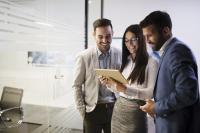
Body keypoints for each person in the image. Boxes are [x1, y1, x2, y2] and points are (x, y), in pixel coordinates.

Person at [139, 10, 200, 133]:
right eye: (144, 36)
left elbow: (187, 93)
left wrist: (156, 107)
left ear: (166, 31)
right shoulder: (168, 50)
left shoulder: (177, 51)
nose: (147, 40)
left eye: (149, 35)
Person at [100, 24, 158, 133]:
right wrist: (109, 84)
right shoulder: (126, 60)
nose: (129, 44)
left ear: (141, 39)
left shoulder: (152, 62)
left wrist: (125, 89)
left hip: (136, 112)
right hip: (119, 110)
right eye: (126, 41)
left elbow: (150, 93)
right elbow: (120, 89)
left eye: (133, 40)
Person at [72, 18, 121, 133]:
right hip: (92, 110)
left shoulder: (120, 54)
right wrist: (82, 111)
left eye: (108, 36)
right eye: (100, 37)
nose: (105, 40)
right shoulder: (83, 57)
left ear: (113, 33)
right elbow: (76, 85)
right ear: (94, 35)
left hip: (115, 108)